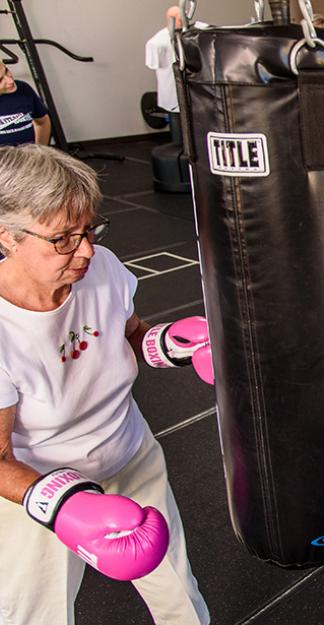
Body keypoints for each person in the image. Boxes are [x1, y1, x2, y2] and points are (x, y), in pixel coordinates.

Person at [0, 145, 211, 625]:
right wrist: (62, 505)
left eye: (89, 230)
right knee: (37, 615)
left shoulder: (103, 267)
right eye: (63, 239)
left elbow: (129, 333)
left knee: (179, 593)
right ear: (6, 237)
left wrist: (171, 344)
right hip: (37, 481)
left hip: (129, 453)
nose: (86, 251)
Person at [0, 61, 51, 146]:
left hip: (28, 152)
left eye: (6, 71)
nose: (10, 81)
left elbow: (42, 122)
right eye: (0, 80)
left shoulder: (23, 89)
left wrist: (40, 150)